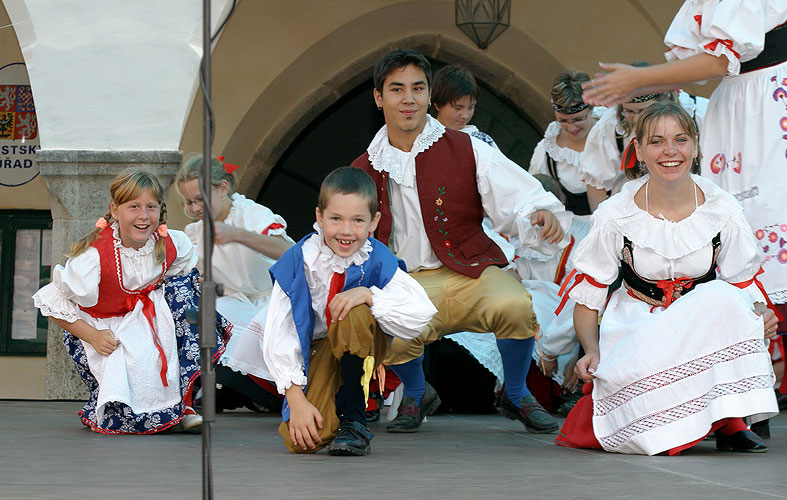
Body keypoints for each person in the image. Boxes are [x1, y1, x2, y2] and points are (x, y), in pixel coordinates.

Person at [351, 48, 571, 434]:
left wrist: (540, 212)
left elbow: (518, 194)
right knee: (384, 319)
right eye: (397, 89)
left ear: (428, 94)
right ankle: (418, 392)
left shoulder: (467, 147)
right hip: (408, 281)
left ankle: (515, 392)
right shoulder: (363, 168)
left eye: (418, 88)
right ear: (378, 97)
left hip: (469, 270)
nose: (408, 99)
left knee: (515, 304)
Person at [555, 101, 779, 455]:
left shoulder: (722, 207)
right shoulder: (617, 212)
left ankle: (729, 421)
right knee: (638, 397)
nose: (670, 151)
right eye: (657, 142)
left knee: (724, 297)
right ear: (640, 151)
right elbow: (589, 295)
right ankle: (676, 420)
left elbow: (743, 283)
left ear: (695, 146)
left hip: (701, 325)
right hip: (637, 323)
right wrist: (593, 350)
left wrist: (759, 312)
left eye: (680, 140)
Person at [579, 0, 787, 331]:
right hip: (741, 101)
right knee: (735, 220)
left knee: (767, 214)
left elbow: (721, 59)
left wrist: (638, 79)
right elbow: (707, 61)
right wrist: (638, 85)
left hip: (766, 102)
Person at [236, 167, 436, 455]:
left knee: (352, 311)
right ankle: (335, 410)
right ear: (319, 217)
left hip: (363, 338)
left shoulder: (376, 256)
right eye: (336, 219)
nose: (346, 231)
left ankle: (355, 417)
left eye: (357, 220)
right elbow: (281, 333)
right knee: (303, 442)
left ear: (373, 221)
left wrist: (369, 295)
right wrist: (296, 399)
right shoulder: (299, 261)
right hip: (319, 350)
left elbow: (419, 312)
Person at [32, 168, 229, 434]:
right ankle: (137, 409)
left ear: (160, 210)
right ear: (115, 211)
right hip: (104, 324)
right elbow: (53, 304)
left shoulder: (172, 243)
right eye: (133, 206)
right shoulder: (93, 257)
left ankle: (184, 403)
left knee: (186, 292)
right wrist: (92, 335)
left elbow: (187, 275)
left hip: (147, 316)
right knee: (126, 399)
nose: (143, 216)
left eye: (151, 206)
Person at [175, 154, 294, 412]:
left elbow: (288, 253)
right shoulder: (197, 232)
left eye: (201, 198)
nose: (196, 208)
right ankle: (219, 385)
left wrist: (238, 236)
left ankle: (263, 388)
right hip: (233, 303)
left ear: (222, 189)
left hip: (270, 300)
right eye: (190, 202)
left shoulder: (252, 215)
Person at [579, 63, 707, 209]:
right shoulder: (610, 125)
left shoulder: (700, 113)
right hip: (633, 208)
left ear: (663, 99)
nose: (637, 119)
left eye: (643, 111)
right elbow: (597, 183)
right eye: (629, 112)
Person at [528, 69, 602, 216]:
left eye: (578, 119)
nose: (571, 128)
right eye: (563, 121)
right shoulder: (547, 153)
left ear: (591, 108)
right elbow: (533, 195)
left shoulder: (612, 134)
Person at [430, 64, 498, 148]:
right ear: (438, 105)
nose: (465, 116)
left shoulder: (483, 143)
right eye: (458, 108)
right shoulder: (418, 137)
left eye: (471, 107)